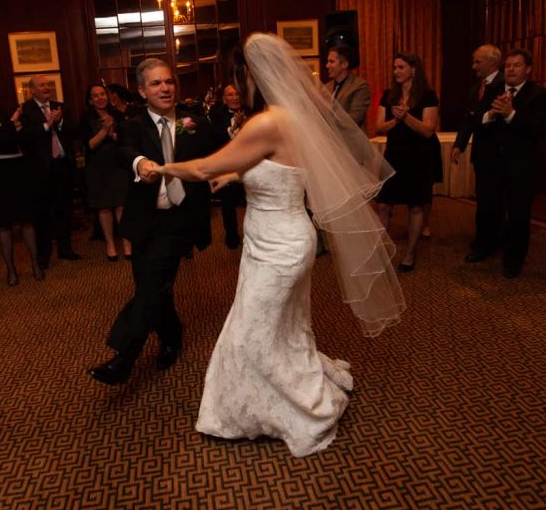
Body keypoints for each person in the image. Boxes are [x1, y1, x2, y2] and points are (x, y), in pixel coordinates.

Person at [160, 34, 404, 456]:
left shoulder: (266, 123)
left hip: (279, 246)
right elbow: (281, 167)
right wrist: (238, 176)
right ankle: (274, 393)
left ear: (251, 75)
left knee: (252, 332)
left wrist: (158, 167)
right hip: (276, 238)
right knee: (284, 326)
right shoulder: (291, 117)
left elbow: (201, 168)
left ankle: (300, 410)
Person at [87, 58, 215, 386]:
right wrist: (140, 162)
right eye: (156, 84)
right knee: (153, 287)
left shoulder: (190, 120)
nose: (165, 88)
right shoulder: (133, 124)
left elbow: (217, 150)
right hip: (145, 222)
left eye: (169, 82)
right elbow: (124, 150)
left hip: (179, 220)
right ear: (143, 91)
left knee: (153, 284)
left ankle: (124, 358)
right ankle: (172, 335)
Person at [462, 50, 546, 277]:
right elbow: (476, 120)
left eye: (517, 65)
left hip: (521, 166)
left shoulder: (539, 94)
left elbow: (538, 128)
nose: (511, 69)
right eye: (508, 66)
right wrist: (491, 115)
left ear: (528, 69)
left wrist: (511, 114)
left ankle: (513, 261)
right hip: (491, 164)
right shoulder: (493, 90)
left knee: (518, 215)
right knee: (487, 209)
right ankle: (484, 247)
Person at [374, 53, 440, 272]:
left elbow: (428, 131)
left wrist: (407, 117)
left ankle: (410, 252)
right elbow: (378, 127)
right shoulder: (389, 95)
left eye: (400, 67)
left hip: (419, 156)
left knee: (415, 206)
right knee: (383, 204)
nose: (396, 71)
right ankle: (381, 250)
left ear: (413, 69)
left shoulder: (428, 96)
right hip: (394, 155)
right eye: (394, 68)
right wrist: (395, 119)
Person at [0, 82, 42, 285]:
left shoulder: (12, 118)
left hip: (18, 172)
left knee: (27, 221)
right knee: (3, 225)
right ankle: (11, 270)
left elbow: (19, 142)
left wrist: (11, 126)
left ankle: (35, 263)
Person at [20, 75, 81, 270]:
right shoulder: (25, 110)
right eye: (41, 85)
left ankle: (65, 249)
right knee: (43, 214)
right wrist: (48, 125)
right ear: (32, 90)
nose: (46, 88)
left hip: (62, 165)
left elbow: (74, 131)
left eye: (47, 84)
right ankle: (44, 255)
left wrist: (61, 121)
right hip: (40, 170)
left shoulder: (60, 106)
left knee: (64, 209)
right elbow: (25, 137)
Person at [453, 44, 505, 254]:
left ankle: (489, 242)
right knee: (484, 198)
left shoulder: (504, 85)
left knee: (494, 201)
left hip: (500, 154)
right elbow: (469, 119)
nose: (473, 66)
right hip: (482, 154)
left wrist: (478, 118)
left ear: (492, 62)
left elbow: (492, 119)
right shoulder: (476, 89)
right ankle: (485, 239)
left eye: (477, 61)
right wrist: (459, 144)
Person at [78, 83, 131, 261]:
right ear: (90, 100)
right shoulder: (86, 118)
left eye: (103, 94)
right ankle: (110, 244)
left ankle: (126, 242)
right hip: (97, 168)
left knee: (121, 205)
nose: (100, 98)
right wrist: (105, 130)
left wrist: (114, 134)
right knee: (105, 207)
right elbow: (90, 145)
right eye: (96, 96)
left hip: (118, 166)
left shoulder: (118, 115)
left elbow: (125, 141)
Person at [207, 84, 247, 249]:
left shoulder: (250, 111)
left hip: (249, 163)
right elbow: (215, 138)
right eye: (230, 95)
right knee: (228, 204)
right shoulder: (216, 114)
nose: (235, 97)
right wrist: (233, 128)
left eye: (237, 94)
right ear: (224, 99)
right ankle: (231, 236)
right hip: (227, 165)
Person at [323, 45, 371, 128]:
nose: (327, 66)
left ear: (344, 64)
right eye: (328, 61)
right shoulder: (326, 87)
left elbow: (354, 120)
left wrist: (329, 107)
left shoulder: (359, 86)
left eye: (331, 62)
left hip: (349, 140)